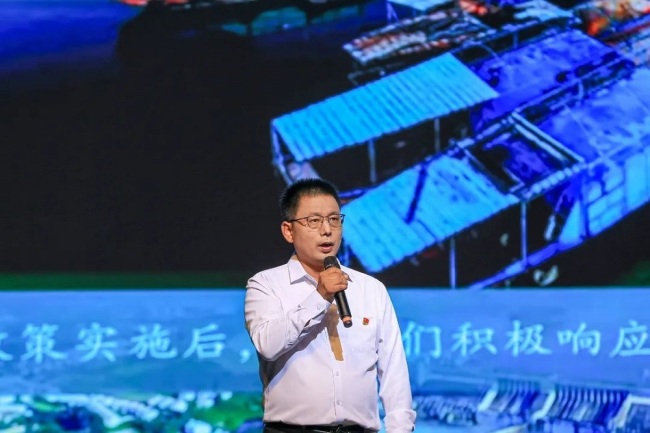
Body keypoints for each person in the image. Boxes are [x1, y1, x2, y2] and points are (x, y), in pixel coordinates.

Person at [244, 178, 416, 433]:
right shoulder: (266, 284)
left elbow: (393, 370)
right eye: (314, 221)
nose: (327, 230)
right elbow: (268, 345)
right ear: (289, 231)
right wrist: (320, 296)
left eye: (334, 220)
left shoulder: (370, 288)